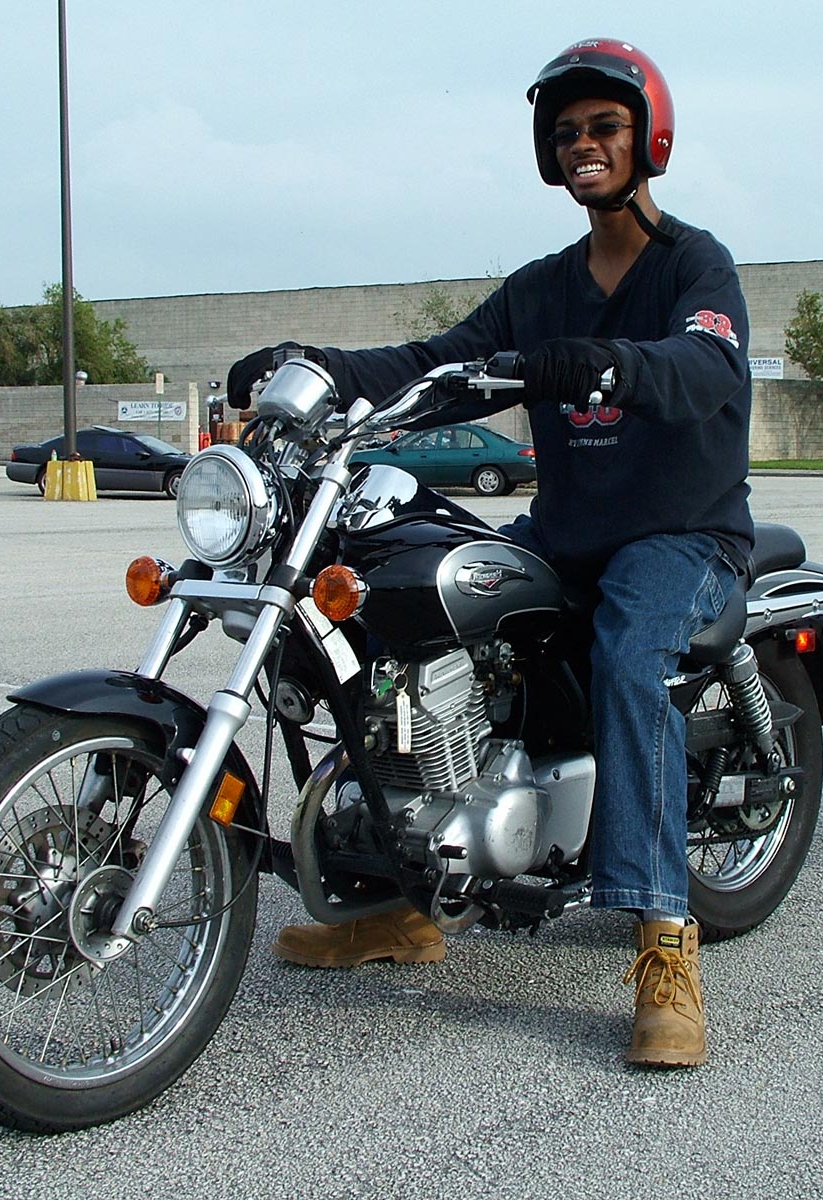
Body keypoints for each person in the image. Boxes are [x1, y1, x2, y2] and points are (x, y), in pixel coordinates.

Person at [226, 38, 753, 1068]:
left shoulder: (697, 264)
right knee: (414, 619)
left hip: (682, 533)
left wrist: (599, 365)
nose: (585, 144)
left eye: (604, 126)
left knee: (631, 650)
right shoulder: (540, 286)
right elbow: (434, 361)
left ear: (647, 137)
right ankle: (407, 897)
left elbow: (705, 365)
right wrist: (318, 366)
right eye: (568, 133)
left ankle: (664, 943)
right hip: (566, 532)